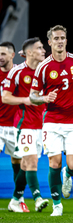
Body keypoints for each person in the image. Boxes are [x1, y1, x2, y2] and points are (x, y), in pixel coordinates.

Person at [29, 25, 73, 216]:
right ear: (49, 42)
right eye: (56, 38)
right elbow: (33, 96)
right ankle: (57, 204)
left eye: (62, 38)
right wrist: (44, 98)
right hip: (52, 121)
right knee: (53, 162)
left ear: (66, 40)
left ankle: (67, 174)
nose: (60, 41)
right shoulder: (43, 67)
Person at [3, 37, 49, 212]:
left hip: (41, 125)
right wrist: (26, 100)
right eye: (39, 48)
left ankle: (15, 200)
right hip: (24, 124)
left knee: (25, 164)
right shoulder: (17, 72)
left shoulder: (46, 71)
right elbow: (5, 97)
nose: (43, 51)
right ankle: (37, 198)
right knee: (31, 162)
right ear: (29, 52)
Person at [0, 41, 29, 212]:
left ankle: (18, 199)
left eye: (3, 54)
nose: (0, 57)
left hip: (16, 126)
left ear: (12, 55)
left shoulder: (20, 72)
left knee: (20, 162)